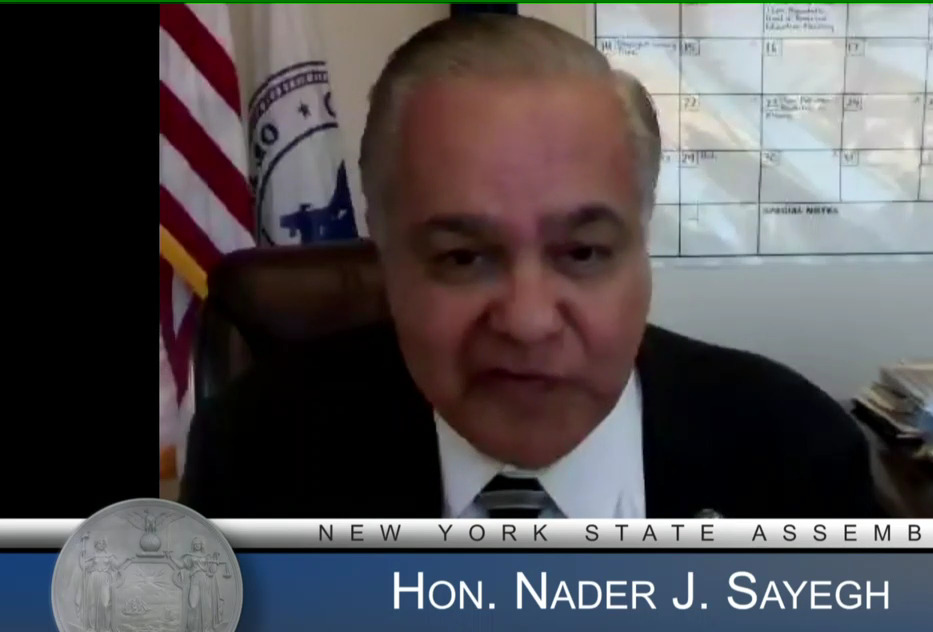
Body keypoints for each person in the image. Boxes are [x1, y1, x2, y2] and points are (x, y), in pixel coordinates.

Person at [180, 14, 884, 520]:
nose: (527, 321)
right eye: (462, 257)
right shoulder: (257, 454)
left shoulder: (797, 455)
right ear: (385, 254)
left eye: (582, 253)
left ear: (641, 244)